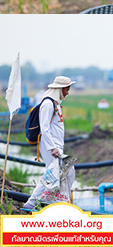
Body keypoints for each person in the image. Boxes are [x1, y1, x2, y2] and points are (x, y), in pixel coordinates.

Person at [22, 76, 77, 211]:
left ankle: (54, 201)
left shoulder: (56, 103)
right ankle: (32, 203)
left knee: (67, 172)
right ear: (60, 89)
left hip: (56, 145)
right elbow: (44, 127)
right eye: (66, 89)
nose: (67, 93)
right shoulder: (48, 104)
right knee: (53, 173)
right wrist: (52, 147)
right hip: (50, 146)